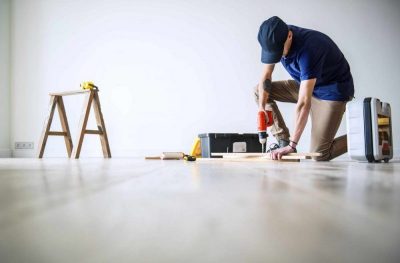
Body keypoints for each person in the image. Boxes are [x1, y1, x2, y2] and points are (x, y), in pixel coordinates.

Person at [255, 16, 354, 161]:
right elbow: (266, 76)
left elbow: (303, 103)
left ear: (289, 36)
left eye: (278, 52)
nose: (277, 56)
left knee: (319, 154)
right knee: (259, 91)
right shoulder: (275, 37)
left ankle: (368, 134)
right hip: (306, 84)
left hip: (331, 92)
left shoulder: (309, 49)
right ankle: (282, 140)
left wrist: (292, 146)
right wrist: (262, 107)